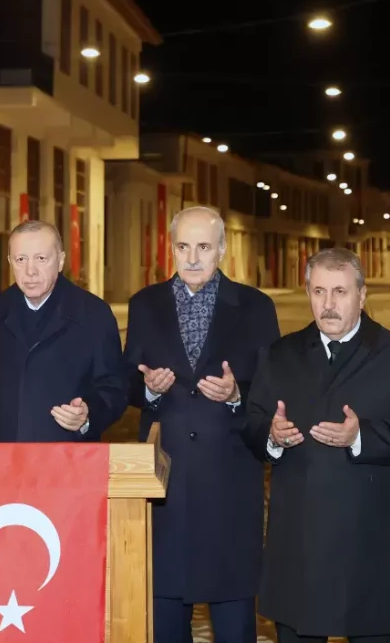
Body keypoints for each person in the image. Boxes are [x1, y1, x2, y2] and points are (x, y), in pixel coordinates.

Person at [244, 248, 390, 643]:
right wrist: (272, 435)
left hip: (366, 543)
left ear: (362, 295)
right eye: (318, 292)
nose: (328, 305)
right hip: (299, 544)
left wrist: (361, 436)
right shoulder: (281, 354)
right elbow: (252, 423)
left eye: (339, 292)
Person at [125, 205, 280, 643]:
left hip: (229, 481)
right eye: (183, 246)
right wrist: (150, 390)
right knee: (165, 618)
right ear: (170, 248)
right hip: (164, 487)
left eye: (204, 247)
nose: (192, 258)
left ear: (222, 249)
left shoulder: (254, 307)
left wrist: (237, 395)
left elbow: (272, 391)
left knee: (234, 621)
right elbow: (125, 384)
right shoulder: (144, 304)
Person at [0, 219, 128, 442]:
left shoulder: (93, 315)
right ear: (10, 262)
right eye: (21, 259)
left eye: (41, 259)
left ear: (60, 261)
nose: (30, 271)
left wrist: (87, 416)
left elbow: (114, 387)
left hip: (68, 462)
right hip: (2, 461)